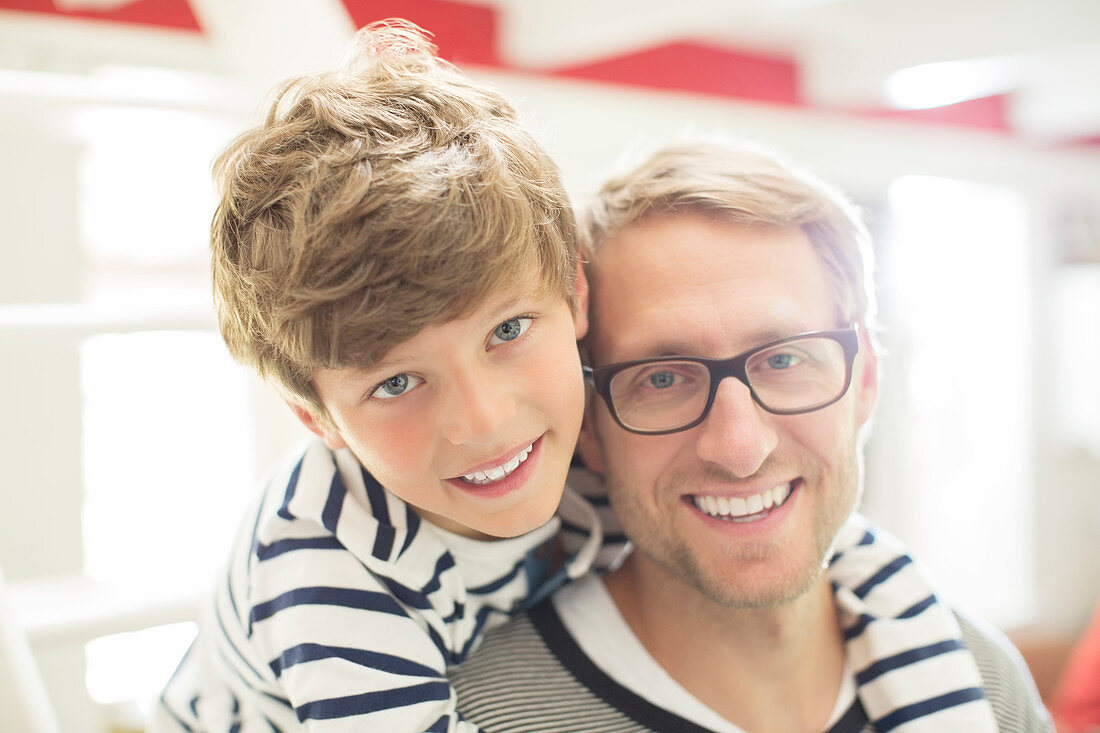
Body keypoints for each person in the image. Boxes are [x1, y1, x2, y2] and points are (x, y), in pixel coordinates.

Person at [450, 140, 1053, 732]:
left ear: (865, 377)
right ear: (589, 427)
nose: (740, 449)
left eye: (785, 361)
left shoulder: (983, 684)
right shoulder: (468, 718)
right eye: (662, 377)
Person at [151, 20, 609, 732]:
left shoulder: (611, 414)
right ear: (316, 417)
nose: (484, 419)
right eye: (395, 383)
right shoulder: (326, 568)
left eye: (507, 331)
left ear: (575, 291)